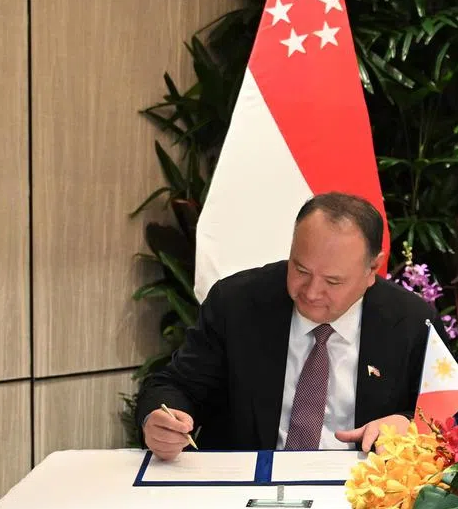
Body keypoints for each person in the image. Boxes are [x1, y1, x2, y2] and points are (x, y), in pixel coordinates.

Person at [136, 192, 441, 460]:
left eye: (333, 281)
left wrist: (410, 424)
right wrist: (160, 419)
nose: (310, 291)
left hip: (363, 497)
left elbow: (453, 414)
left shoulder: (411, 321)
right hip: (243, 493)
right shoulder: (237, 303)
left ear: (372, 269)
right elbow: (174, 386)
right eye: (300, 269)